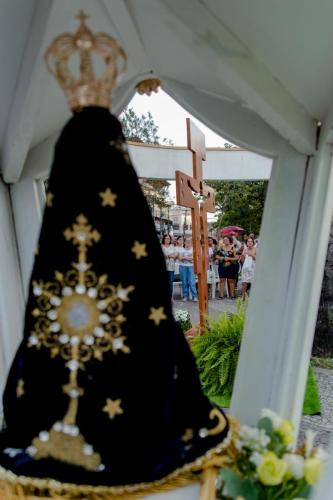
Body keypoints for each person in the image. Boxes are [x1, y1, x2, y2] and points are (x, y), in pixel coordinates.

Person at [240, 236, 256, 300]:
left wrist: (251, 254)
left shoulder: (256, 249)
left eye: (251, 241)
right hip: (245, 268)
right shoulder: (245, 249)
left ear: (253, 243)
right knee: (244, 282)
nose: (249, 243)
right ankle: (243, 296)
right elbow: (242, 261)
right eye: (248, 241)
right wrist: (242, 256)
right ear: (246, 243)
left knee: (253, 282)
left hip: (253, 268)